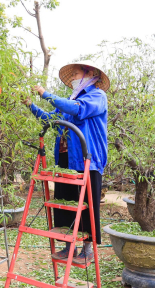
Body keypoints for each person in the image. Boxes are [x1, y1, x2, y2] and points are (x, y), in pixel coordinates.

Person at [23, 61, 109, 264]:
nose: (73, 78)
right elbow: (49, 120)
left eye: (76, 74)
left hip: (87, 159)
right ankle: (68, 245)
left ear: (91, 74)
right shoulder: (70, 100)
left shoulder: (96, 97)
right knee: (64, 202)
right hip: (65, 158)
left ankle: (87, 248)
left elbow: (78, 110)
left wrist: (46, 94)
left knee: (87, 203)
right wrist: (30, 105)